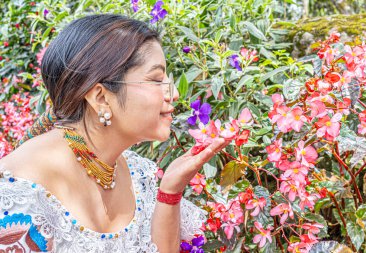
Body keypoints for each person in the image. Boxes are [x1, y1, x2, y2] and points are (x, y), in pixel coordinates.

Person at [0, 14, 229, 252]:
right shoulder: (21, 194)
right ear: (100, 97)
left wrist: (170, 192)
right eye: (156, 79)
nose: (173, 93)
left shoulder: (136, 174)